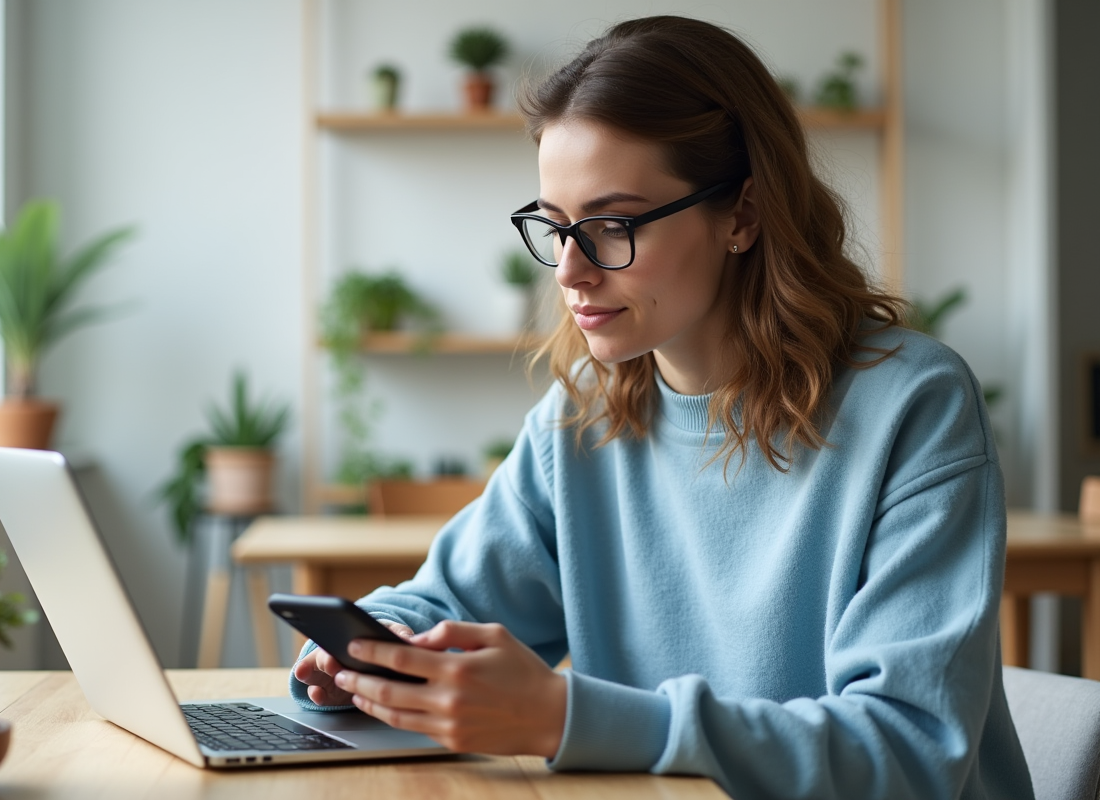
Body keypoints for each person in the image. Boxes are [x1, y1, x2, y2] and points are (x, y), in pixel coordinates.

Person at [292, 16, 1034, 799]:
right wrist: (371, 652)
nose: (571, 271)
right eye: (555, 227)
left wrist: (565, 718)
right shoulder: (580, 419)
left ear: (742, 215)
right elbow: (442, 601)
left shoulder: (912, 405)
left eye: (611, 225)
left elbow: (907, 752)